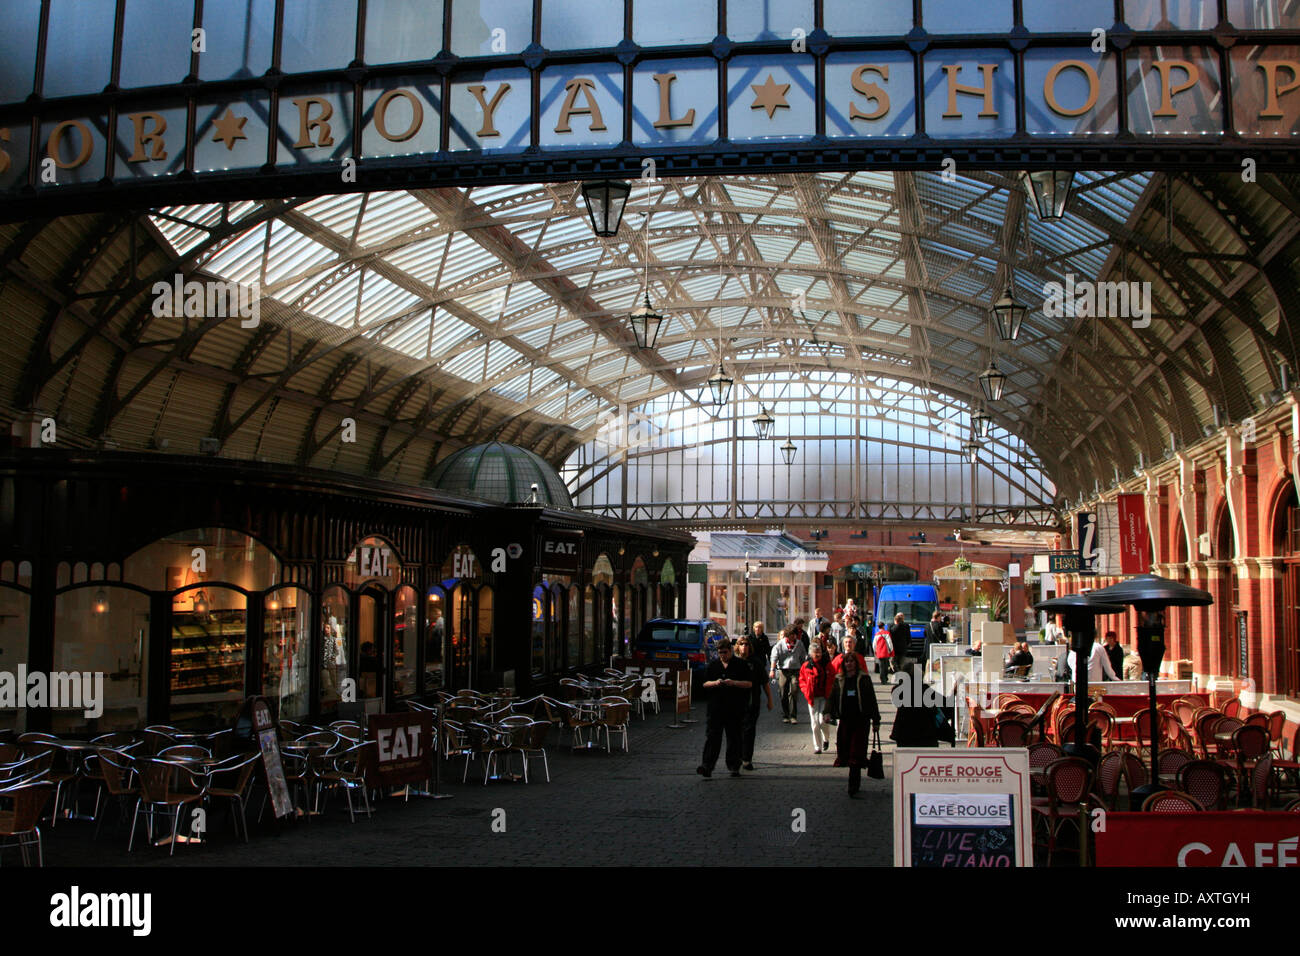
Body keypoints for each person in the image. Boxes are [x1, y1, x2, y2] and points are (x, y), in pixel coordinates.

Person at [827, 651, 881, 796]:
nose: (849, 664)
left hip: (861, 721)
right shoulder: (839, 679)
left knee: (856, 753)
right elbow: (832, 697)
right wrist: (827, 713)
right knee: (845, 751)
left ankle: (853, 786)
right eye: (846, 662)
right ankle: (857, 772)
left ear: (856, 663)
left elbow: (871, 699)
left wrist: (876, 720)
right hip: (845, 720)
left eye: (851, 661)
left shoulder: (864, 679)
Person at [697, 638, 752, 778]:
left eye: (725, 652)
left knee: (734, 738)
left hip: (735, 708)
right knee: (712, 737)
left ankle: (734, 766)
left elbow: (749, 684)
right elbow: (704, 684)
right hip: (715, 708)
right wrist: (715, 683)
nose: (723, 655)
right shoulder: (713, 665)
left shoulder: (740, 665)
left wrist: (733, 683)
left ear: (731, 650)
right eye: (720, 653)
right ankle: (707, 766)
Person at [891, 662, 953, 748]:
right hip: (925, 734)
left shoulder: (898, 690)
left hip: (903, 734)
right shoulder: (924, 689)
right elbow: (946, 705)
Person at [735, 634, 773, 771]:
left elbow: (765, 683)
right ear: (737, 647)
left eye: (746, 644)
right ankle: (737, 756)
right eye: (741, 644)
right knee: (737, 730)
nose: (744, 647)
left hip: (752, 701)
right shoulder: (733, 662)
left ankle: (746, 759)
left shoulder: (756, 662)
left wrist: (770, 700)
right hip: (736, 702)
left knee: (749, 730)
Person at [799, 641, 835, 753]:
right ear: (811, 654)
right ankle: (817, 746)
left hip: (824, 697)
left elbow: (833, 678)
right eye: (815, 652)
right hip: (812, 697)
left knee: (823, 721)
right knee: (814, 723)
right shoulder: (806, 666)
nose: (817, 654)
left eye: (819, 651)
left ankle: (826, 738)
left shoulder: (827, 664)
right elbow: (802, 680)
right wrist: (806, 691)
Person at [769, 627, 808, 723]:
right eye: (791, 635)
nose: (793, 636)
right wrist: (772, 670)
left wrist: (805, 669)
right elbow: (774, 657)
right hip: (783, 670)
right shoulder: (780, 644)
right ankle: (786, 714)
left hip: (795, 670)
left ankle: (793, 715)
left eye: (794, 634)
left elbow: (803, 657)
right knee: (783, 691)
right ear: (788, 635)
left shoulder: (799, 644)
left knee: (794, 690)